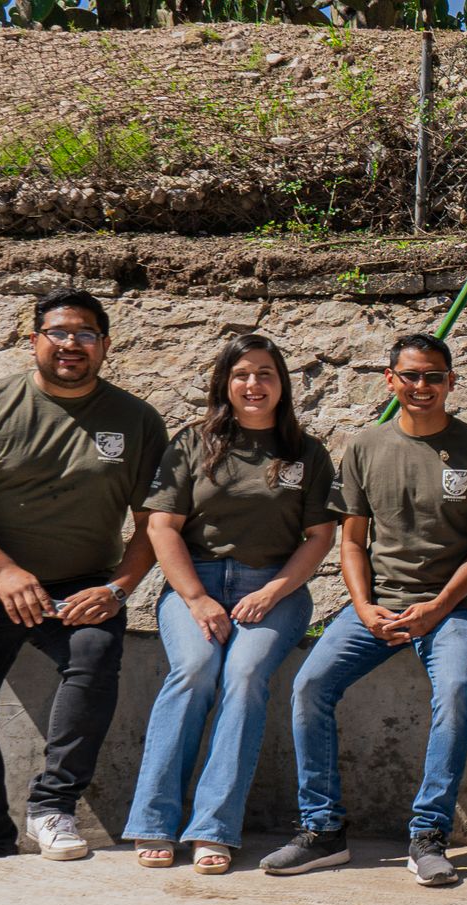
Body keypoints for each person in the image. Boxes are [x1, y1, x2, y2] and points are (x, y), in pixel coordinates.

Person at [0, 289, 168, 863]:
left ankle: (52, 806)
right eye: (58, 332)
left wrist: (116, 589)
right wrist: (2, 570)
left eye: (85, 334)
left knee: (94, 657)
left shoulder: (135, 420)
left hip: (81, 585)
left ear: (104, 346)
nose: (70, 344)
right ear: (33, 340)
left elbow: (155, 521)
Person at [261, 333, 467, 887]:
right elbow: (352, 543)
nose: (422, 386)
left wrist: (440, 606)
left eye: (433, 376)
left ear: (451, 382)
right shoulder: (364, 447)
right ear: (391, 381)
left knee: (453, 693)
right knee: (309, 686)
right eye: (411, 376)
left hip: (448, 611)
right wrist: (364, 608)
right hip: (374, 609)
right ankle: (323, 832)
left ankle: (428, 836)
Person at [122, 336, 337, 875]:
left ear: (282, 384)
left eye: (265, 373)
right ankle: (154, 820)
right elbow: (161, 526)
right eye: (242, 374)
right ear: (225, 383)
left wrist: (271, 592)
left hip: (275, 586)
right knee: (194, 671)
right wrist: (195, 599)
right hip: (198, 582)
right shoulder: (193, 442)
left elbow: (318, 537)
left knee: (243, 676)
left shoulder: (306, 453)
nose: (253, 384)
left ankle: (214, 827)